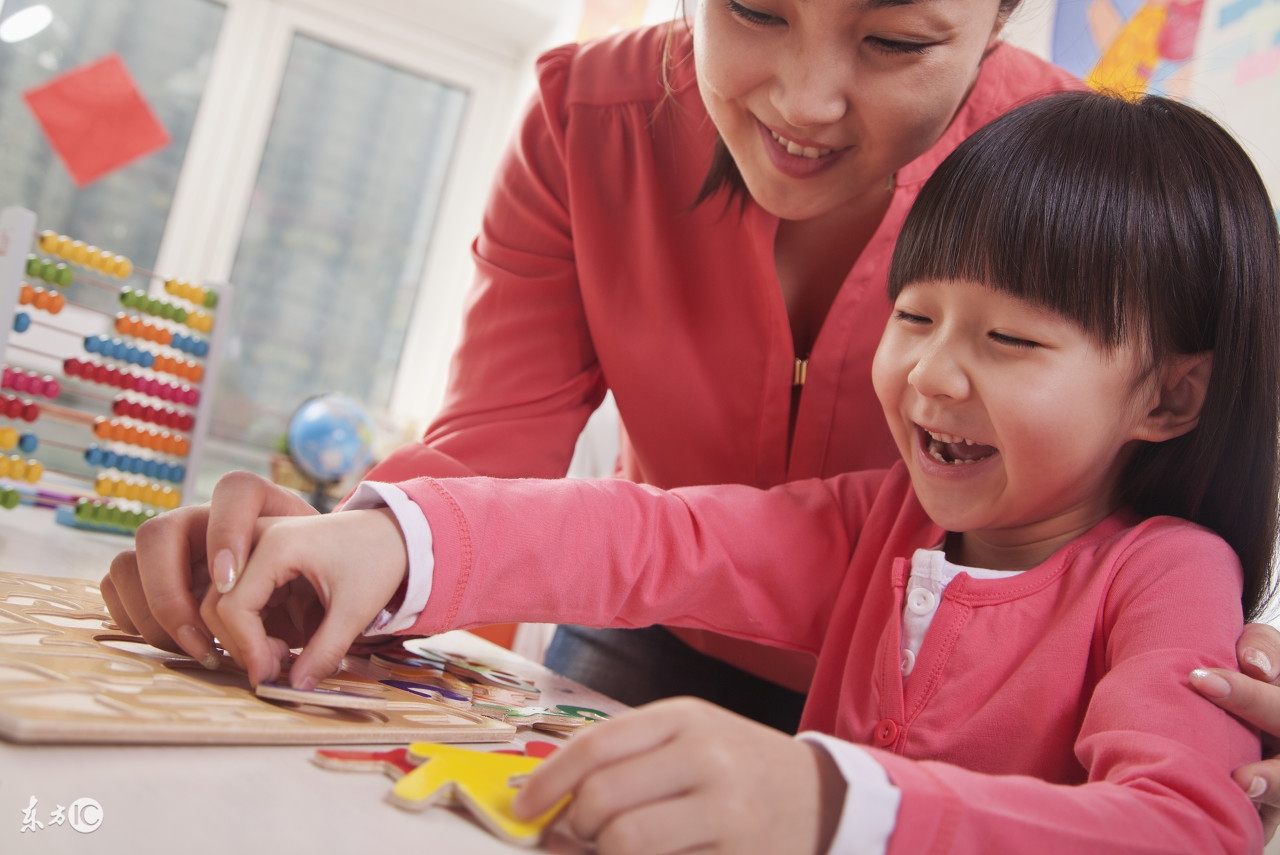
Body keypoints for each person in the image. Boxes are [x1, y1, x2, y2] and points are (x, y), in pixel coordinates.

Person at [194, 92, 1279, 854]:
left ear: (1169, 397)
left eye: (1011, 341)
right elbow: (655, 538)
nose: (930, 374)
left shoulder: (1172, 575)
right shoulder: (877, 524)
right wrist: (392, 539)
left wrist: (828, 801)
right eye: (913, 317)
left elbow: (1186, 828)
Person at [101, 0, 1086, 734]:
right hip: (649, 626)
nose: (804, 99)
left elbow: (1118, 536)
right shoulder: (585, 120)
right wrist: (335, 553)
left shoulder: (1089, 193)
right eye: (753, 9)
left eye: (896, 41)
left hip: (953, 692)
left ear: (999, 20)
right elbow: (489, 452)